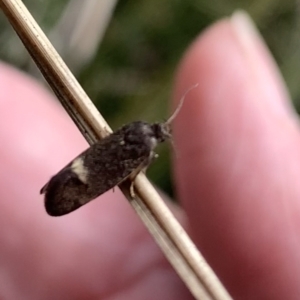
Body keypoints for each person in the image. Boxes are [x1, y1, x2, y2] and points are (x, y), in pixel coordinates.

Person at [0, 12, 299, 299]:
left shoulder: (139, 132)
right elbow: (132, 165)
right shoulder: (146, 148)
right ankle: (58, 185)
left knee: (83, 170)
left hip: (88, 166)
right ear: (157, 134)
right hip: (95, 172)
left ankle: (56, 184)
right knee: (86, 174)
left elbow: (115, 141)